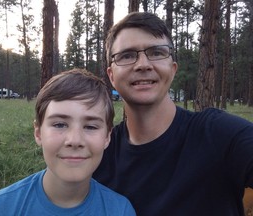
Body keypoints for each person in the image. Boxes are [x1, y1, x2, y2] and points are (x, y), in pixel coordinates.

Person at [93, 11, 253, 216]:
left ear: (173, 69)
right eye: (127, 55)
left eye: (157, 52)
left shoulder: (218, 135)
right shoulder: (99, 152)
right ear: (111, 76)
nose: (143, 64)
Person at [0, 69, 136, 216]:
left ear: (107, 137)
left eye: (91, 126)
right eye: (59, 124)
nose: (74, 140)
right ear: (38, 133)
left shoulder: (120, 211)